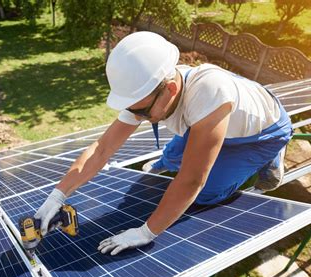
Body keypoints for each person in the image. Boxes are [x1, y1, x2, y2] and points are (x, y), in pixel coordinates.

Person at [34, 31, 292, 256]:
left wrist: (147, 232)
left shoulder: (208, 94)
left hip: (261, 133)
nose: (139, 118)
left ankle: (271, 158)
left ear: (169, 89)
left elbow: (192, 179)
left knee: (204, 192)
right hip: (209, 119)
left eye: (143, 113)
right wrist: (58, 195)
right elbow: (102, 149)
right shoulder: (146, 94)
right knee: (169, 160)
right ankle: (203, 149)